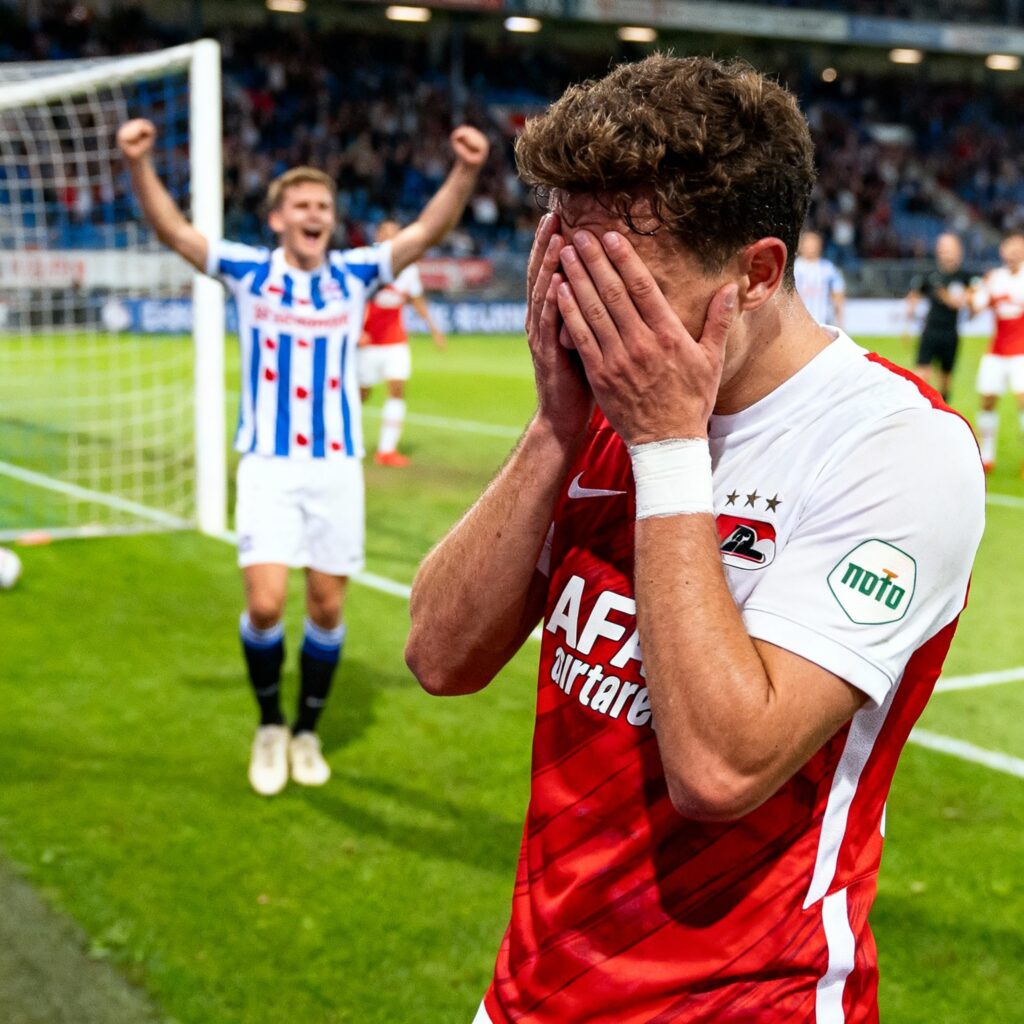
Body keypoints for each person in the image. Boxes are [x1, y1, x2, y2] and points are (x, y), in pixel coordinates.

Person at [404, 56, 984, 1023]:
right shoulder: (601, 406)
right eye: (571, 272)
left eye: (626, 287)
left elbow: (722, 769)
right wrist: (552, 429)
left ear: (757, 274)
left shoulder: (896, 447)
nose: (589, 317)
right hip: (531, 992)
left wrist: (669, 448)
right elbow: (439, 656)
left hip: (746, 999)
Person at [117, 117, 488, 796]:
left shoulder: (352, 274)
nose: (315, 214)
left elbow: (424, 233)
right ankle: (269, 725)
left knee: (324, 606)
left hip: (335, 467)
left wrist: (464, 170)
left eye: (324, 206)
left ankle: (307, 731)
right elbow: (177, 234)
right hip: (267, 464)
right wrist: (139, 164)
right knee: (264, 606)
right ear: (278, 218)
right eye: (302, 205)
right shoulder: (250, 272)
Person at [358, 219, 447, 467]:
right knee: (360, 394)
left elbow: (416, 300)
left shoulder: (408, 269)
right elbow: (354, 300)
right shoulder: (366, 264)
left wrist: (434, 329)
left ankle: (386, 451)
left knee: (397, 389)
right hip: (367, 343)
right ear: (378, 236)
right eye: (387, 233)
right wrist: (356, 331)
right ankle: (343, 440)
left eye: (396, 233)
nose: (392, 237)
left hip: (395, 341)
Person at [971, 232, 1024, 473]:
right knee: (987, 400)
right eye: (1009, 248)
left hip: (1021, 351)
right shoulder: (994, 278)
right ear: (1002, 251)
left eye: (1018, 249)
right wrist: (973, 295)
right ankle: (987, 455)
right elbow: (976, 308)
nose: (1013, 253)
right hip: (997, 351)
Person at [904, 233, 970, 402]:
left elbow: (970, 299)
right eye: (943, 248)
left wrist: (962, 301)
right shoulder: (930, 274)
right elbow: (914, 295)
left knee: (946, 379)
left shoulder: (964, 276)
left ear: (959, 251)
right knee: (921, 374)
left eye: (950, 248)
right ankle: (922, 408)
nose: (946, 252)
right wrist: (907, 323)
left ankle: (944, 410)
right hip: (931, 330)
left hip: (951, 333)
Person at [794, 229, 845, 328]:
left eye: (814, 244)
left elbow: (838, 294)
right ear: (800, 246)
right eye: (808, 243)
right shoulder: (794, 268)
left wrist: (840, 321)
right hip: (798, 323)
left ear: (820, 246)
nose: (811, 247)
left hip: (823, 322)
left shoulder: (828, 268)